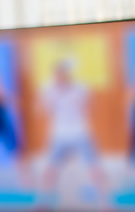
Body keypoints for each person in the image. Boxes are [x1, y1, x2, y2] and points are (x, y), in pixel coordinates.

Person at [38, 60, 107, 209]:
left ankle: (105, 203)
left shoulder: (80, 88)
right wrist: (52, 96)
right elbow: (43, 110)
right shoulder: (49, 89)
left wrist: (74, 98)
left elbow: (90, 105)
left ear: (68, 74)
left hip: (80, 133)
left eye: (63, 74)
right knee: (50, 168)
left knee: (94, 167)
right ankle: (43, 202)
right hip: (58, 135)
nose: (60, 77)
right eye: (57, 74)